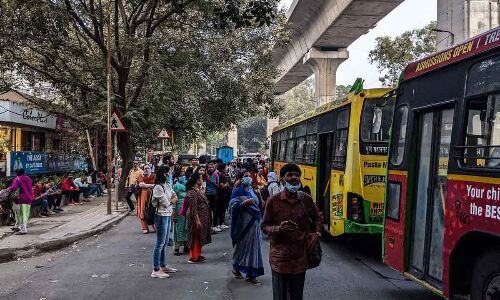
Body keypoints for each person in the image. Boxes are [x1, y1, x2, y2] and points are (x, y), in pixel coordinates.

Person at [262, 163, 323, 300]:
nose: (294, 178)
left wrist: (317, 234)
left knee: (296, 296)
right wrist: (278, 229)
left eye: (296, 175)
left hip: (300, 259)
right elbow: (264, 226)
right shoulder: (273, 201)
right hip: (280, 260)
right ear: (283, 179)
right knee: (280, 296)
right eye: (290, 175)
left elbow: (318, 216)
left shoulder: (305, 199)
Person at [229, 175, 264, 285]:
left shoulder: (252, 192)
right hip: (244, 227)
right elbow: (232, 208)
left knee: (254, 249)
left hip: (254, 225)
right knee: (243, 248)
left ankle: (251, 274)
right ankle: (238, 268)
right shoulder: (237, 193)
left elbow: (258, 204)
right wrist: (244, 203)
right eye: (246, 185)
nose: (248, 187)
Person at [150, 168, 178, 279]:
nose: (170, 175)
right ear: (164, 174)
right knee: (160, 242)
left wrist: (171, 200)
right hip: (161, 216)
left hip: (168, 214)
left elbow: (175, 195)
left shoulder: (166, 185)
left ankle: (163, 265)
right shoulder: (157, 187)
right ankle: (156, 269)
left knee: (165, 242)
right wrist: (171, 200)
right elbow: (166, 202)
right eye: (168, 173)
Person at [184, 172, 212, 264]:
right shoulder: (192, 192)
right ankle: (193, 257)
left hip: (201, 217)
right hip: (195, 218)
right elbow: (194, 207)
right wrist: (197, 220)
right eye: (201, 179)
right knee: (195, 237)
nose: (202, 180)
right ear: (197, 180)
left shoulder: (197, 190)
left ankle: (198, 255)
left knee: (199, 236)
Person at [8, 169, 33, 234]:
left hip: (21, 199)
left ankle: (23, 229)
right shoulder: (28, 178)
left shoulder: (17, 179)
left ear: (17, 173)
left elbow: (14, 187)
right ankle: (20, 227)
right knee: (26, 214)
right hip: (29, 198)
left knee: (20, 214)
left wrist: (8, 189)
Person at [172, 169, 189, 255]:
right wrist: (174, 213)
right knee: (178, 227)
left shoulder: (187, 184)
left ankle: (186, 245)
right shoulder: (176, 186)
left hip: (187, 208)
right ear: (177, 177)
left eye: (184, 175)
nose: (183, 177)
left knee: (186, 227)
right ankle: (177, 248)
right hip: (179, 208)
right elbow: (174, 199)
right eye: (181, 175)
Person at [137, 165, 156, 233]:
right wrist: (151, 185)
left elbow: (156, 184)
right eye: (145, 168)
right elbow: (141, 185)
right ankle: (144, 228)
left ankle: (155, 226)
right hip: (143, 195)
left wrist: (146, 185)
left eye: (148, 168)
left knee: (154, 209)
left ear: (151, 169)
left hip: (153, 194)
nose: (147, 169)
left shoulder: (154, 175)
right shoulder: (141, 175)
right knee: (142, 210)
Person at [205, 162, 221, 233]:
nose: (211, 169)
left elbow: (218, 186)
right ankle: (209, 226)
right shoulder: (205, 175)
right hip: (207, 195)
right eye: (209, 167)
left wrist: (212, 182)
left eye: (212, 167)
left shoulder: (216, 175)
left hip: (214, 194)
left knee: (215, 211)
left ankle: (214, 225)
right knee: (208, 211)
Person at [216, 163, 230, 230]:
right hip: (221, 195)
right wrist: (227, 184)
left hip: (223, 195)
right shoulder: (220, 175)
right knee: (220, 209)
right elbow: (222, 186)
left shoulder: (222, 175)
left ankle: (221, 223)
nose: (226, 168)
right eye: (225, 167)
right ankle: (219, 223)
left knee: (222, 209)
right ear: (222, 168)